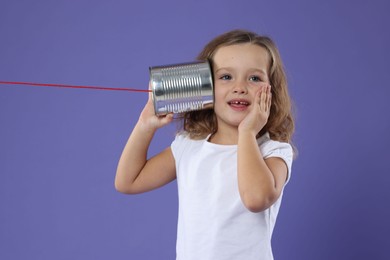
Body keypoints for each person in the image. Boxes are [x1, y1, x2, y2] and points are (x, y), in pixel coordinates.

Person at [115, 29, 295, 260]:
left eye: (254, 78)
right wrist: (144, 125)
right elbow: (128, 181)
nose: (240, 87)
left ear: (272, 90)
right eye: (226, 77)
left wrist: (248, 132)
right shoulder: (190, 146)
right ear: (206, 86)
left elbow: (255, 199)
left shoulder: (274, 152)